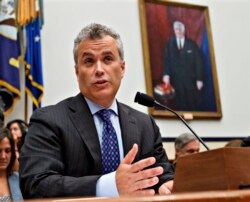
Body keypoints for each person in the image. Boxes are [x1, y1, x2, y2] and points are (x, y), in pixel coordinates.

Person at [19, 23, 174, 198]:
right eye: (89, 61)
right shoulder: (49, 120)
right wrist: (110, 185)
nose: (99, 70)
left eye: (108, 59)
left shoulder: (145, 124)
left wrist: (166, 185)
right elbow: (36, 185)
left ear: (122, 68)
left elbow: (163, 173)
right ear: (77, 72)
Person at [163, 20, 204, 111]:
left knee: (192, 103)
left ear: (184, 30)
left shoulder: (192, 44)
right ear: (174, 30)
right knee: (179, 103)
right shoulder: (170, 44)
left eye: (180, 29)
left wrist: (199, 79)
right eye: (176, 29)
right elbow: (167, 60)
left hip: (190, 81)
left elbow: (199, 63)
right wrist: (166, 74)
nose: (178, 31)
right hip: (176, 80)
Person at [0, 128, 23, 201]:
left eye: (7, 151)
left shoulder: (17, 178)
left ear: (12, 153)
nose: (3, 156)